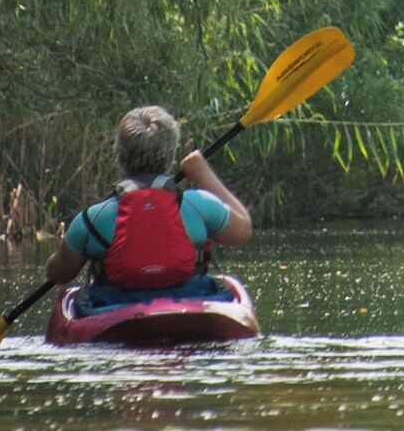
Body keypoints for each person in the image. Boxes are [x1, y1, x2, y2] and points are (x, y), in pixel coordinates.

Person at [46, 104, 252, 316]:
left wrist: (54, 260)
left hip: (114, 311)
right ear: (171, 154)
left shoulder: (92, 219)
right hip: (193, 303)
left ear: (119, 155)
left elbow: (59, 274)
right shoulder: (199, 205)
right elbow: (242, 231)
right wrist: (204, 174)